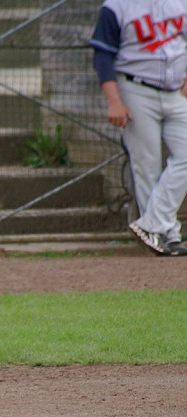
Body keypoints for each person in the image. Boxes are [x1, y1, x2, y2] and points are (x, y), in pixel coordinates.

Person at [90, 0, 187, 256]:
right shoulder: (116, 7)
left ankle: (151, 225)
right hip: (135, 89)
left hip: (176, 91)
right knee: (147, 165)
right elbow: (102, 55)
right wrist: (114, 102)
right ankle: (167, 236)